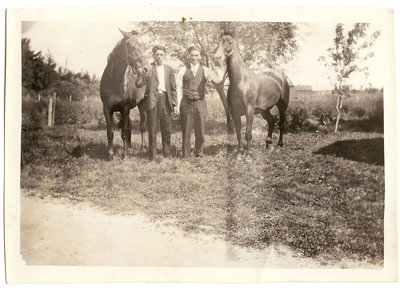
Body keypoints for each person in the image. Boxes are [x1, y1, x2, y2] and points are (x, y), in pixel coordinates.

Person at [176, 45, 223, 158]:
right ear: (189, 56)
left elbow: (218, 79)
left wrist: (218, 66)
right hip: (186, 103)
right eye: (192, 55)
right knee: (186, 131)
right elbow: (178, 89)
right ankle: (186, 156)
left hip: (200, 103)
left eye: (196, 55)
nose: (194, 57)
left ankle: (199, 154)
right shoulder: (182, 70)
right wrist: (177, 106)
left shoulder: (206, 70)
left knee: (201, 131)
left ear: (201, 57)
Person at [145, 45, 179, 160]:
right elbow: (142, 85)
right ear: (153, 55)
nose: (159, 56)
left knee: (166, 128)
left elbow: (173, 88)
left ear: (164, 56)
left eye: (161, 54)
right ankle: (152, 156)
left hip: (166, 100)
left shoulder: (169, 69)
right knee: (152, 128)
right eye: (157, 54)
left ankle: (167, 154)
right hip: (153, 101)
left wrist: (175, 104)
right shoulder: (148, 68)